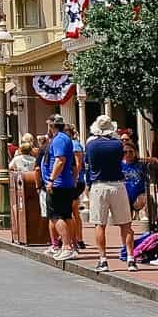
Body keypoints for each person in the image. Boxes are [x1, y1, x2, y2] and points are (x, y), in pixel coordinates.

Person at [84, 116, 136, 273]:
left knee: (100, 224)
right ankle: (131, 259)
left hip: (99, 185)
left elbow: (88, 162)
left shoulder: (91, 145)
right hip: (117, 185)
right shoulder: (118, 144)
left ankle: (103, 259)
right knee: (126, 224)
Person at [42, 117, 81, 261]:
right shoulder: (65, 138)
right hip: (66, 183)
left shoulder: (59, 139)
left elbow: (60, 160)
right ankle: (70, 245)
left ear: (52, 126)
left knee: (56, 216)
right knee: (66, 215)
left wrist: (51, 180)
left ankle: (66, 246)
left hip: (58, 184)